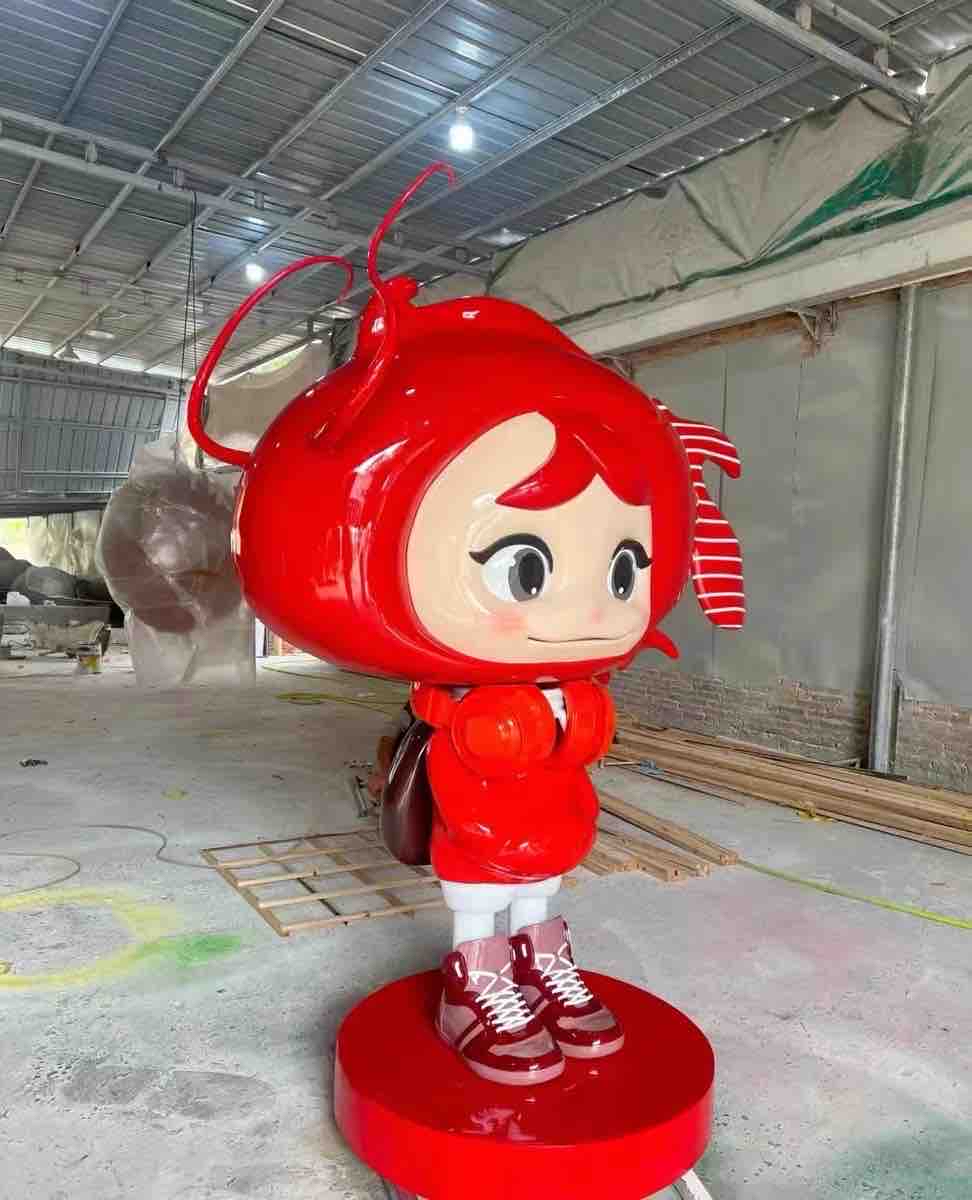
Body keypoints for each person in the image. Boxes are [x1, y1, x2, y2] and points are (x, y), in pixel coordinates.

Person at [188, 163, 745, 1088]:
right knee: (480, 875)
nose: (584, 609)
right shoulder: (458, 698)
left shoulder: (575, 682)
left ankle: (540, 958)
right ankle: (473, 978)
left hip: (550, 788)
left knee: (544, 870)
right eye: (525, 566)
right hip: (481, 781)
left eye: (623, 570)